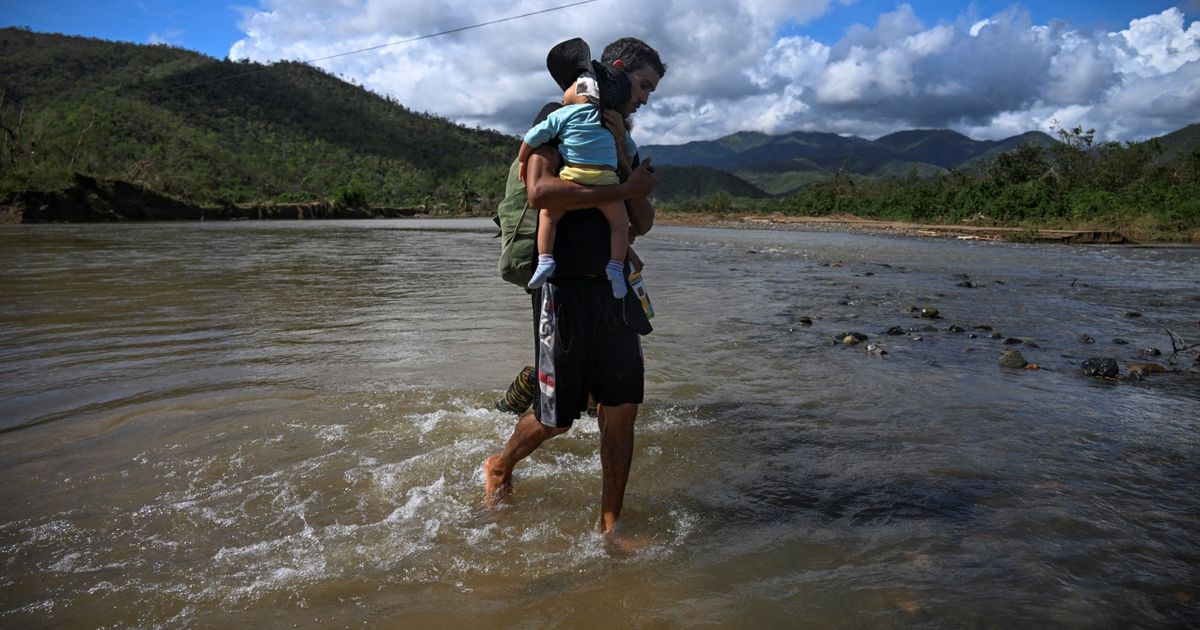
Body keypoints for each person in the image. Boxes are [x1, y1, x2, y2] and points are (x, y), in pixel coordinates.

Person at [484, 37, 666, 538]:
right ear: (619, 70)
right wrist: (623, 190)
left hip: (613, 287)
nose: (646, 97)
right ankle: (499, 465)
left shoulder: (620, 134)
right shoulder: (556, 113)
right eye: (644, 85)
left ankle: (611, 526)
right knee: (559, 415)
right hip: (561, 284)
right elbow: (540, 190)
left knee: (622, 409)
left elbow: (643, 222)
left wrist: (628, 172)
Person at [518, 40, 636, 298]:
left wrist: (523, 159)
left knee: (550, 217)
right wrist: (626, 183)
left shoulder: (561, 115)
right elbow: (631, 149)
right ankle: (615, 267)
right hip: (606, 180)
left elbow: (531, 138)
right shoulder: (612, 121)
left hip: (573, 176)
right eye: (645, 87)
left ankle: (545, 259)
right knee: (620, 224)